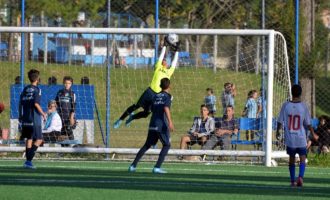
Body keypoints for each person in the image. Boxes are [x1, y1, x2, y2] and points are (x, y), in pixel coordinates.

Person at [113, 38, 179, 129]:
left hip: (157, 96)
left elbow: (174, 63)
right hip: (149, 92)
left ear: (168, 65)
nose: (164, 61)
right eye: (163, 60)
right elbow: (160, 56)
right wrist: (164, 46)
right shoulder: (158, 67)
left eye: (166, 61)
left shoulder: (169, 72)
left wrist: (177, 52)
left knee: (146, 114)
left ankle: (132, 118)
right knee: (136, 106)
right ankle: (120, 120)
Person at [128, 78, 174, 174]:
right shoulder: (168, 96)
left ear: (160, 86)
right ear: (169, 86)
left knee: (147, 145)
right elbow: (166, 107)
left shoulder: (155, 96)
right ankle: (157, 167)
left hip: (152, 123)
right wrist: (170, 122)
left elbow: (150, 109)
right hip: (161, 124)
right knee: (166, 145)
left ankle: (133, 166)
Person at [276, 84, 318, 187]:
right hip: (301, 138)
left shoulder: (285, 105)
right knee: (302, 158)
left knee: (291, 159)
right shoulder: (303, 106)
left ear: (292, 92)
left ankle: (292, 181)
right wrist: (313, 134)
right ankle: (300, 177)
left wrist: (278, 131)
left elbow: (280, 121)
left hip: (290, 138)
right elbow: (308, 124)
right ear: (300, 93)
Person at [19, 69, 46, 169]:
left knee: (29, 138)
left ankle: (27, 162)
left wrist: (20, 114)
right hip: (34, 117)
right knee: (39, 139)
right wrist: (43, 113)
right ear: (37, 79)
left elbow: (20, 102)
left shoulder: (25, 89)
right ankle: (28, 161)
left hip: (25, 116)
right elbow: (36, 103)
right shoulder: (37, 89)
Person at [73, 76, 95, 144]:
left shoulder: (76, 89)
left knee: (77, 135)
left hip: (79, 114)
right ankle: (91, 148)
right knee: (90, 135)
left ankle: (76, 147)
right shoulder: (91, 89)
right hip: (89, 115)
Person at [55, 76, 76, 140]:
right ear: (63, 83)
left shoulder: (72, 93)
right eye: (66, 83)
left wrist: (71, 117)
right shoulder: (60, 92)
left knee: (69, 133)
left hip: (68, 117)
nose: (67, 85)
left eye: (69, 83)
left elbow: (73, 107)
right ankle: (64, 149)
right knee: (62, 135)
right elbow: (56, 103)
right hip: (60, 117)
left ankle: (72, 148)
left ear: (71, 84)